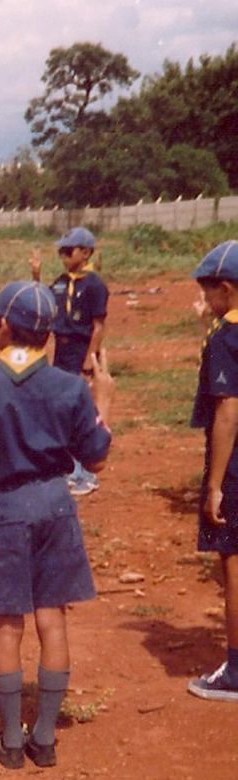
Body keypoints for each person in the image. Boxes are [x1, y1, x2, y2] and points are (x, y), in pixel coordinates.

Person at [0, 280, 114, 769]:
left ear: (3, 326)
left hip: (6, 510)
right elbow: (96, 461)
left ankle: (12, 740)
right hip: (56, 504)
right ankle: (45, 737)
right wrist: (104, 403)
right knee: (51, 617)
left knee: (8, 621)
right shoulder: (68, 386)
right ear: (50, 333)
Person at [187, 240, 238, 702]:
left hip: (236, 464)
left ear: (226, 288)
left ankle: (236, 670)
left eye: (209, 292)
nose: (205, 300)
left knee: (234, 559)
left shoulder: (226, 339)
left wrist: (216, 485)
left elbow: (227, 413)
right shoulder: (223, 330)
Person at [31, 227, 108, 496]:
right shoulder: (62, 281)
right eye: (61, 252)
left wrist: (89, 360)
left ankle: (87, 473)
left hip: (80, 349)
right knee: (61, 408)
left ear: (85, 253)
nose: (64, 257)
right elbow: (44, 300)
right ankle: (70, 468)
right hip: (61, 351)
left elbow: (98, 326)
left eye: (68, 251)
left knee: (81, 411)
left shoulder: (94, 285)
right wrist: (36, 275)